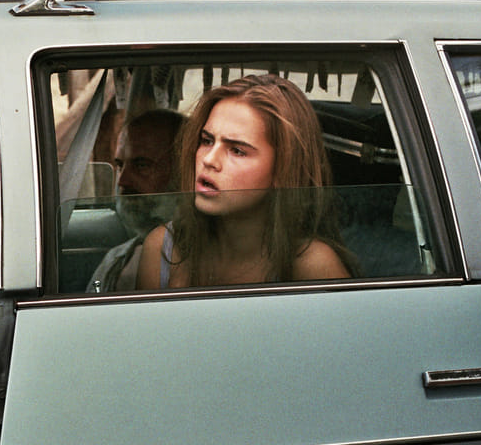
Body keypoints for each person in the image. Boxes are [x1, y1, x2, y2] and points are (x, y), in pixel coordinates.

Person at [136, 73, 352, 290]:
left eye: (237, 150)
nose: (209, 160)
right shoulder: (163, 247)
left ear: (283, 169)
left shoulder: (314, 265)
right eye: (206, 140)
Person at [88, 108, 186, 292]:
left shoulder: (215, 257)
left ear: (183, 171)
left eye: (142, 165)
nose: (122, 181)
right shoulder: (116, 262)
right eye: (120, 165)